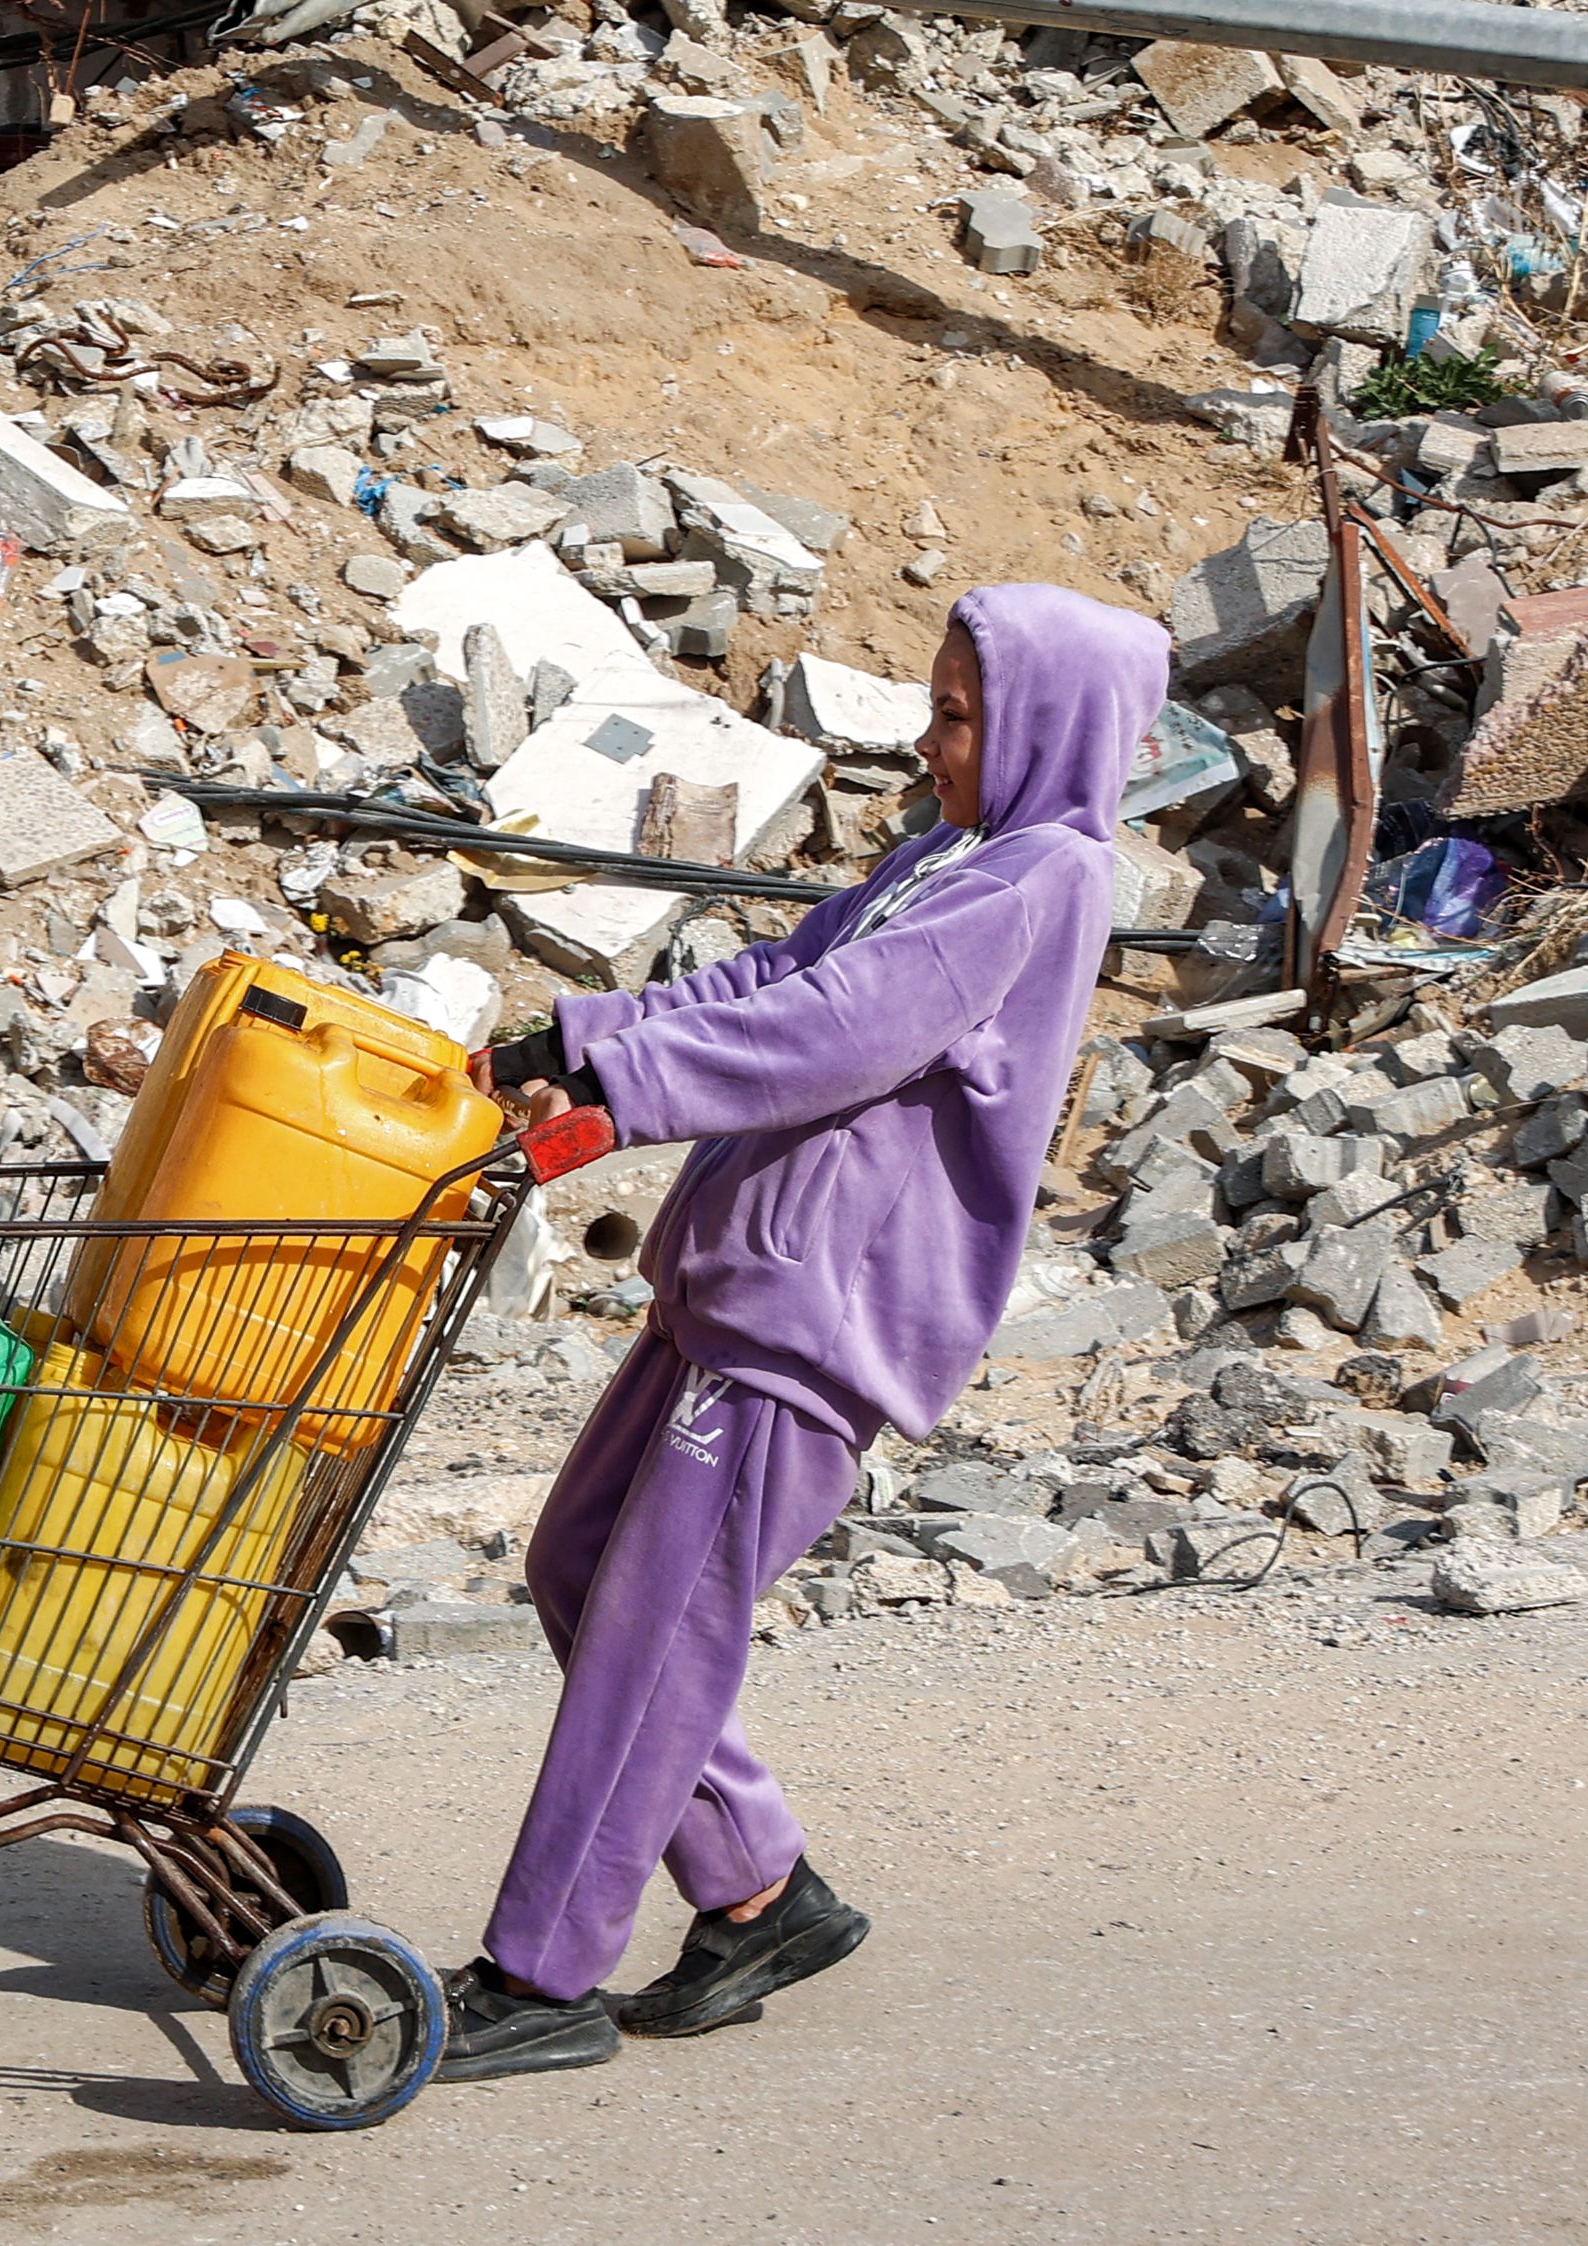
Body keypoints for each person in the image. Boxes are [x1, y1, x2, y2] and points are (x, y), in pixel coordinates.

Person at [437, 581, 1171, 2081]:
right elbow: (778, 975)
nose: (930, 737)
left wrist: (626, 1100)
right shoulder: (944, 857)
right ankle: (761, 1886)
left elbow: (834, 1036)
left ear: (1047, 724)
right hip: (739, 1282)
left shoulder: (1034, 880)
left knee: (652, 1634)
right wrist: (575, 1039)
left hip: (811, 1316)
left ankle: (541, 1970)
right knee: (583, 1562)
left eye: (959, 716)